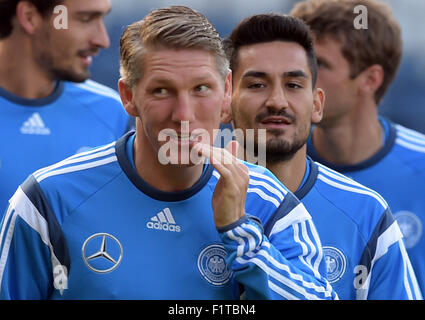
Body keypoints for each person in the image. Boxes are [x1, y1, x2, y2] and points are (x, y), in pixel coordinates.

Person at [0, 5, 337, 300]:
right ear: (128, 96)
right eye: (162, 90)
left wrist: (239, 232)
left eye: (201, 89)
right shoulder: (48, 199)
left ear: (227, 93)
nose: (183, 114)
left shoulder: (269, 202)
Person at [224, 13, 421, 299]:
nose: (277, 101)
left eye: (293, 85)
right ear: (225, 100)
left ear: (317, 105)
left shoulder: (366, 213)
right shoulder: (187, 199)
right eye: (256, 84)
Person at [291, 0, 425, 295]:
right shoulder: (272, 169)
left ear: (370, 79)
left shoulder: (420, 169)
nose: (299, 76)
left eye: (319, 64)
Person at [0, 0, 132, 214]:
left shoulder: (112, 112)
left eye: (102, 18)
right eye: (85, 19)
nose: (103, 40)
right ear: (29, 17)